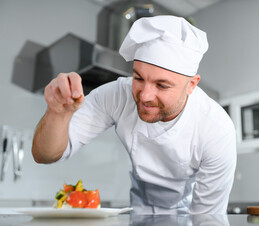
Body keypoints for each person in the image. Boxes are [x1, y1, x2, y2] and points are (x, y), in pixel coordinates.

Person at [32, 15, 237, 214]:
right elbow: (45, 155)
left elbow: (208, 221)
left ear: (191, 85)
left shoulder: (216, 130)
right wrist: (57, 113)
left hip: (189, 219)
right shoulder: (117, 95)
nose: (145, 96)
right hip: (138, 215)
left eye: (162, 85)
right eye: (138, 78)